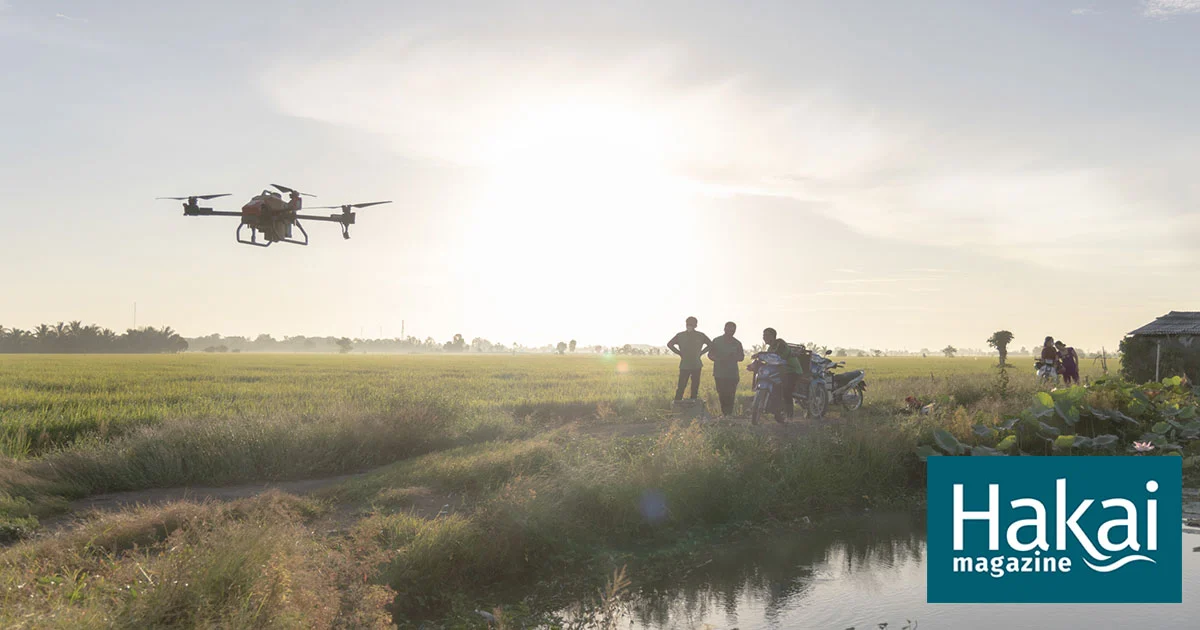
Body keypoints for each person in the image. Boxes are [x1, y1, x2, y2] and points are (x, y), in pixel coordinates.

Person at [762, 327, 804, 420]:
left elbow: (779, 356)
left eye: (767, 335)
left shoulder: (780, 344)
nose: (764, 337)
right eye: (763, 335)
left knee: (786, 392)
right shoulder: (770, 348)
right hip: (780, 371)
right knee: (775, 388)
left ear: (773, 336)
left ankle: (789, 415)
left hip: (791, 370)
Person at [667, 317, 711, 402]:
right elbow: (669, 344)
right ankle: (677, 406)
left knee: (695, 387)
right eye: (688, 323)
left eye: (692, 323)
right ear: (686, 324)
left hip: (696, 365)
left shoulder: (701, 335)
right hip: (685, 365)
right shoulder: (680, 335)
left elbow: (710, 344)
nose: (690, 325)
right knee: (681, 387)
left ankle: (693, 406)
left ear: (696, 325)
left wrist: (701, 353)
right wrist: (680, 353)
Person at [707, 321, 745, 417]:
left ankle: (728, 414)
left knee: (731, 394)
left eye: (732, 330)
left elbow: (741, 357)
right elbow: (710, 354)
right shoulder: (716, 341)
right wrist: (719, 359)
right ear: (724, 329)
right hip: (719, 373)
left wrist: (733, 357)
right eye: (728, 329)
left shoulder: (737, 343)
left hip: (732, 374)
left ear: (735, 331)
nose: (730, 332)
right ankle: (725, 413)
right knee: (722, 393)